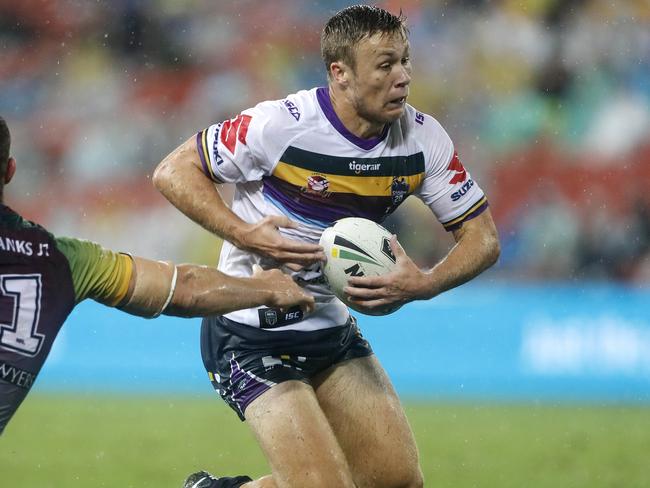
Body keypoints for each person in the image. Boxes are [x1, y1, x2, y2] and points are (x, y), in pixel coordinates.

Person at [154, 5, 500, 488]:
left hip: (329, 329)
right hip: (249, 331)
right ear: (340, 73)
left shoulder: (422, 141)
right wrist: (242, 231)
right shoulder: (279, 125)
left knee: (396, 482)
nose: (402, 77)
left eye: (405, 61)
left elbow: (482, 238)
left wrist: (423, 284)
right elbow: (172, 171)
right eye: (385, 65)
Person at [0, 116, 314, 436]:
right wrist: (264, 288)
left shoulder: (66, 260)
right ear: (11, 171)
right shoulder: (64, 260)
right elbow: (183, 290)